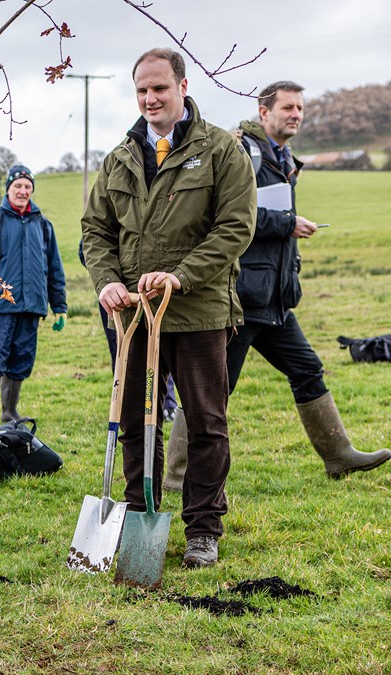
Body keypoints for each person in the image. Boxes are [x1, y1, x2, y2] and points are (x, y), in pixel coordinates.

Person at [82, 48, 256, 569]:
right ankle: (138, 515)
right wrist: (107, 281)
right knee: (136, 420)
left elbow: (236, 227)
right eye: (142, 90)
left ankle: (204, 528)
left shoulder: (222, 150)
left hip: (199, 310)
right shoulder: (120, 157)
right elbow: (96, 231)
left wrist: (181, 276)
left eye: (159, 88)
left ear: (182, 85)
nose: (151, 98)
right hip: (133, 315)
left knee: (206, 421)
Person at [225, 81, 389, 478]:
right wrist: (287, 223)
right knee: (212, 390)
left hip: (276, 297)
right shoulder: (242, 153)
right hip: (243, 297)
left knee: (307, 369)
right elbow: (230, 217)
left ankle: (339, 455)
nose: (296, 114)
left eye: (300, 108)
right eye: (288, 108)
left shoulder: (282, 157)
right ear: (264, 113)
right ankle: (178, 474)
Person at [0, 164, 67, 428]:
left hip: (32, 305)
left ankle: (10, 413)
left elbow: (54, 266)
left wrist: (59, 306)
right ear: (8, 189)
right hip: (0, 304)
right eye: (18, 186)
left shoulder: (43, 225)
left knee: (21, 358)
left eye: (27, 187)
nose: (23, 191)